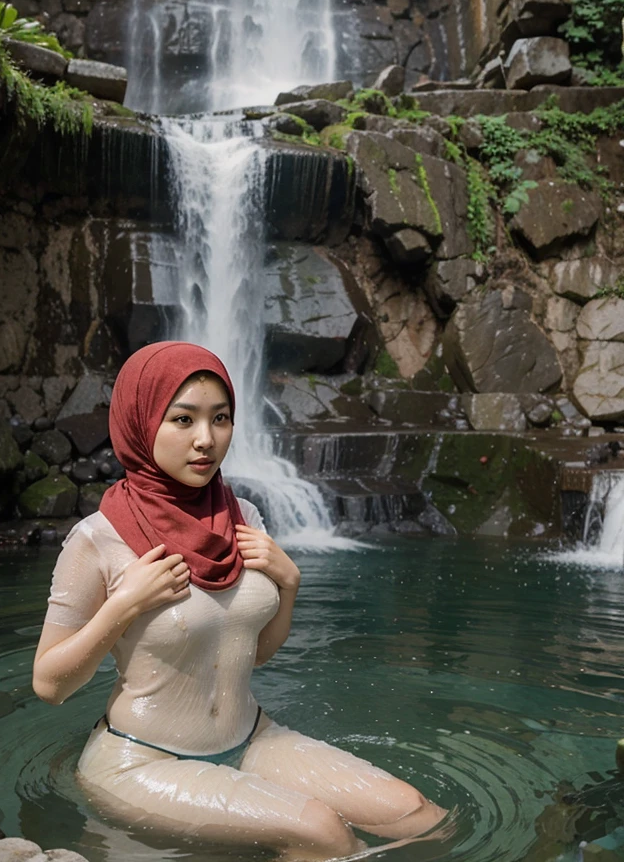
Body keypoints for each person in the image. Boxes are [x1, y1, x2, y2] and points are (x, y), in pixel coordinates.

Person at [33, 341, 447, 860]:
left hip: (253, 738)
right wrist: (122, 607)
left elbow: (250, 653)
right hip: (143, 760)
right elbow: (48, 684)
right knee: (320, 831)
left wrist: (289, 585)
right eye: (183, 420)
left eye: (220, 418)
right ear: (141, 422)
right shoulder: (96, 540)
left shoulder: (243, 514)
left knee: (418, 816)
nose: (206, 440)